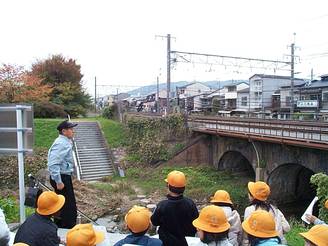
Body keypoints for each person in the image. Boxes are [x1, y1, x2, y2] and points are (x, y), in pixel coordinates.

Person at [151, 170, 199, 246]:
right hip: (187, 242)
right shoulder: (190, 204)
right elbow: (196, 221)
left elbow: (154, 222)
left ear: (168, 186)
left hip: (167, 243)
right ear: (184, 187)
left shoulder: (162, 205)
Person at [48, 120, 78, 229]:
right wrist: (58, 181)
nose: (73, 131)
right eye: (71, 129)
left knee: (63, 204)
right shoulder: (61, 143)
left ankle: (60, 225)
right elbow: (53, 163)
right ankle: (67, 228)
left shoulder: (64, 142)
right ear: (64, 131)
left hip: (63, 176)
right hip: (61, 177)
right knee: (68, 206)